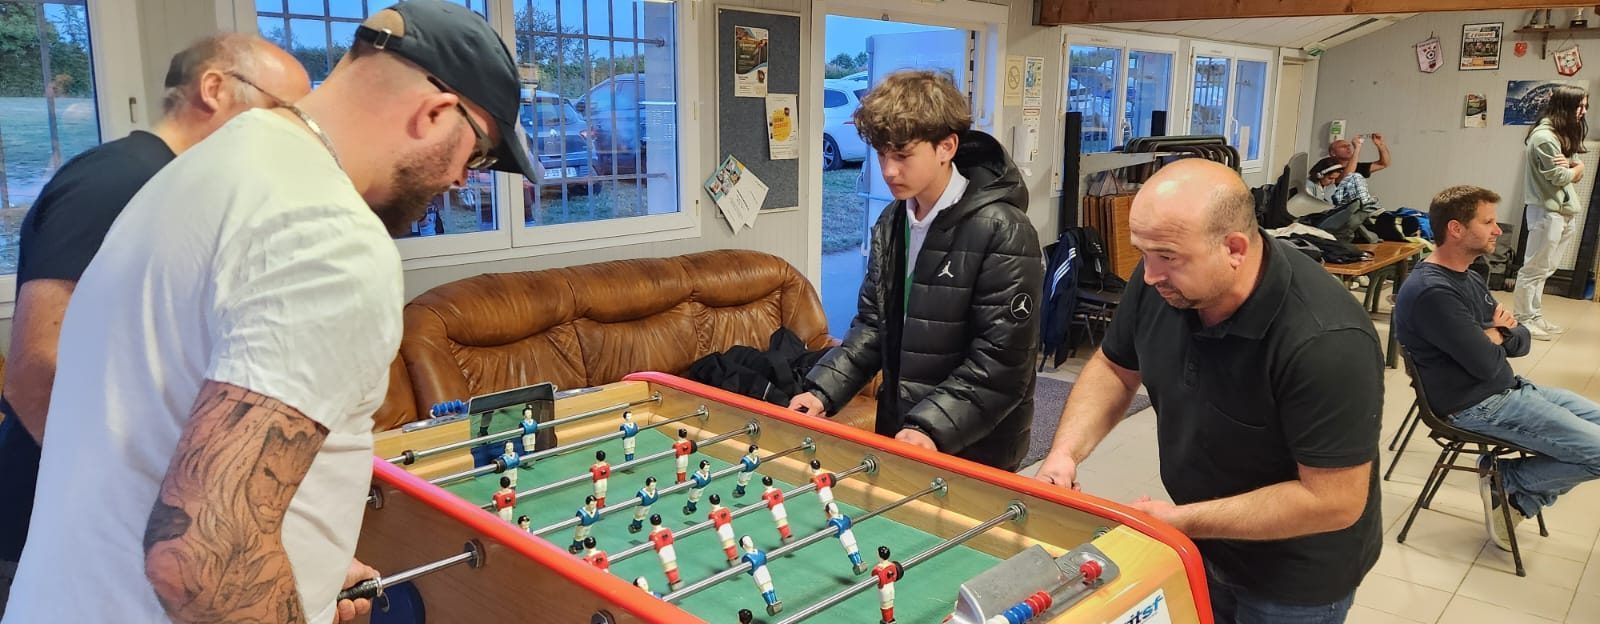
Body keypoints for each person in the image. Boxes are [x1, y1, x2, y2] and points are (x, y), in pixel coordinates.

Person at [2, 2, 538, 623]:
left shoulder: (205, 168)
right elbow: (206, 560)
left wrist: (309, 568)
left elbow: (160, 430)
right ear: (436, 113)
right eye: (477, 154)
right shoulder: (329, 233)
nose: (462, 180)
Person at [0, 32, 311, 618]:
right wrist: (143, 509)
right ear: (214, 89)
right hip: (57, 529)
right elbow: (36, 369)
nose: (299, 137)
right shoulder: (118, 180)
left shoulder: (185, 188)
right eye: (286, 113)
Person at [1034, 159, 1383, 623]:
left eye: (1167, 257)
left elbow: (1333, 500)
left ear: (1234, 248)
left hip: (1294, 576)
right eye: (1143, 253)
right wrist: (1065, 453)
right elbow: (1115, 367)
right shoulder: (1162, 280)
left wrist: (1183, 520)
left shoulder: (1326, 340)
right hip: (1202, 541)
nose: (1149, 274)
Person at [788, 70, 1042, 472]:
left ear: (946, 147)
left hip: (977, 442)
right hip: (905, 428)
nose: (888, 171)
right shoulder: (892, 221)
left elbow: (1001, 363)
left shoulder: (1003, 230)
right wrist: (822, 390)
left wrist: (929, 427)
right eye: (881, 155)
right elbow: (873, 325)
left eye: (903, 156)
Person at [1396, 185, 1600, 551]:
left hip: (1507, 389)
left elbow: (1521, 340)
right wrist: (1495, 334)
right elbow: (1485, 362)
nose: (1497, 230)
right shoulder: (1434, 291)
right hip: (1474, 405)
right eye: (1487, 222)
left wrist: (1495, 335)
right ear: (1456, 229)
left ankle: (1514, 490)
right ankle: (1510, 484)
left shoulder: (1470, 277)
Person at [1512, 84, 1587, 339]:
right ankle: (1523, 319)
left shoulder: (1559, 134)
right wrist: (1577, 168)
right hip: (1547, 210)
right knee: (1533, 268)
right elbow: (1560, 176)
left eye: (1585, 106)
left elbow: (1572, 170)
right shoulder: (1544, 137)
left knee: (1545, 268)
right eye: (1580, 106)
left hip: (1562, 210)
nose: (1583, 111)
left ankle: (1534, 315)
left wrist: (1574, 167)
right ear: (1566, 106)